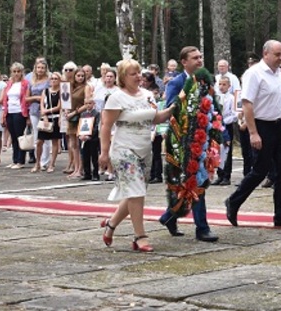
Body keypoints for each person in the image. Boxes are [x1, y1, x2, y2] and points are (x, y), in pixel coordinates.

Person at [225, 40, 281, 229]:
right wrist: (253, 133)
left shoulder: (280, 76)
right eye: (277, 55)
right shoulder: (254, 74)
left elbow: (278, 102)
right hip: (262, 127)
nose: (280, 58)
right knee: (260, 170)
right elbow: (247, 104)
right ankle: (233, 201)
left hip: (279, 126)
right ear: (265, 54)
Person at [99, 59, 173, 252]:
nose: (138, 76)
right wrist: (104, 153)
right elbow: (106, 126)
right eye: (133, 73)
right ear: (123, 77)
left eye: (139, 72)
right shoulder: (116, 98)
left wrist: (173, 108)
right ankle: (140, 236)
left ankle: (111, 224)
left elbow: (155, 117)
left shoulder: (148, 95)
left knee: (135, 193)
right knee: (136, 192)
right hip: (124, 148)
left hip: (144, 148)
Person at [158, 46, 219, 242]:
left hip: (201, 139)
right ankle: (200, 227)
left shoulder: (204, 80)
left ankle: (170, 217)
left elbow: (213, 106)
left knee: (198, 181)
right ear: (184, 61)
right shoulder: (177, 82)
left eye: (200, 57)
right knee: (185, 182)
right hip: (180, 141)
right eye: (195, 58)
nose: (199, 61)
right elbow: (171, 108)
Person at [65, 65, 93, 179]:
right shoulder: (70, 87)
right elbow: (65, 99)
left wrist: (75, 112)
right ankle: (75, 168)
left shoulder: (86, 87)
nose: (80, 78)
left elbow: (87, 104)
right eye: (78, 75)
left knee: (81, 143)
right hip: (70, 117)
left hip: (81, 116)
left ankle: (81, 169)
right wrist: (67, 111)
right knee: (73, 144)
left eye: (82, 76)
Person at [2, 63, 30, 169]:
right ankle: (14, 159)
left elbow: (26, 100)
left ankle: (21, 160)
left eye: (18, 71)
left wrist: (27, 116)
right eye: (14, 71)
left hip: (20, 111)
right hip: (10, 111)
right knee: (13, 136)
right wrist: (4, 113)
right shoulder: (9, 84)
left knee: (20, 136)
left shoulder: (25, 83)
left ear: (22, 72)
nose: (16, 74)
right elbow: (5, 98)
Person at [34, 72, 63, 173]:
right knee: (39, 142)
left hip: (55, 117)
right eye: (52, 79)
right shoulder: (45, 91)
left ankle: (52, 163)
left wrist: (48, 111)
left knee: (55, 141)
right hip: (45, 118)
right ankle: (37, 163)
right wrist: (44, 115)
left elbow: (59, 106)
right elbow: (42, 105)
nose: (54, 80)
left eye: (56, 78)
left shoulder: (61, 92)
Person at [213, 76, 236, 186]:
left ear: (229, 86)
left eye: (224, 84)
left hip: (227, 125)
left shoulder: (231, 98)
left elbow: (234, 114)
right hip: (217, 125)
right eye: (220, 84)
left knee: (227, 150)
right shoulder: (216, 97)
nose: (221, 87)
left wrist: (224, 121)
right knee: (217, 150)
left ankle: (227, 175)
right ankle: (220, 174)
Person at [26, 58, 50, 167]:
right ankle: (38, 159)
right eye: (38, 68)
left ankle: (45, 160)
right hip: (34, 109)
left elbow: (51, 95)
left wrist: (41, 98)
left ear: (45, 69)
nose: (40, 70)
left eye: (42, 68)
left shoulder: (48, 81)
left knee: (46, 134)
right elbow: (27, 97)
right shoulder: (32, 81)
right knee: (36, 134)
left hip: (46, 109)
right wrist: (36, 97)